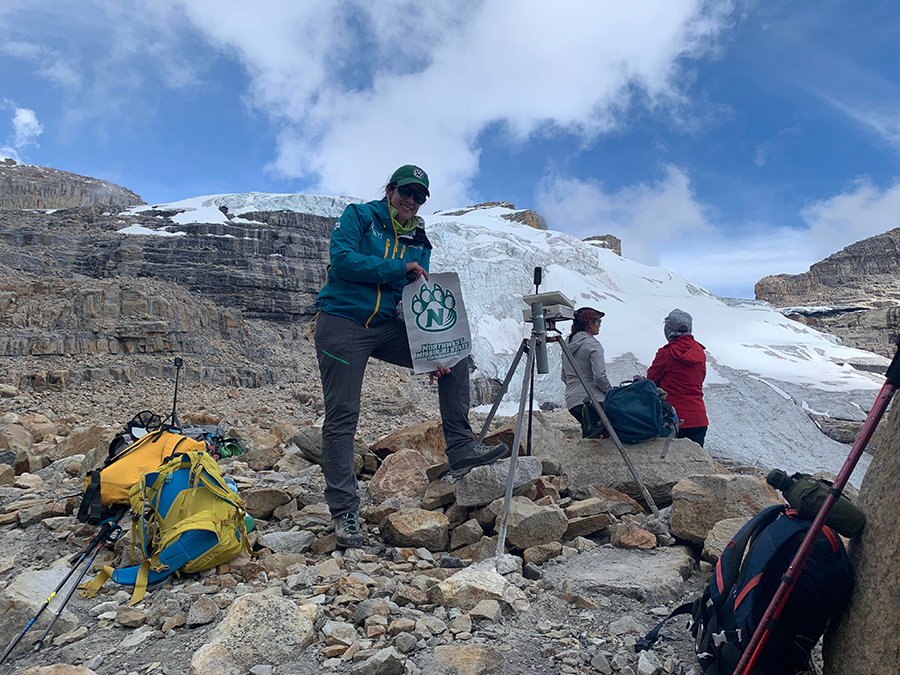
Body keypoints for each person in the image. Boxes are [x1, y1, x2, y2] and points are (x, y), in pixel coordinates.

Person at [314, 164, 508, 548]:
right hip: (341, 323)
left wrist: (428, 348)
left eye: (420, 196)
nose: (412, 201)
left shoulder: (420, 239)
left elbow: (417, 298)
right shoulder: (360, 217)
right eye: (406, 192)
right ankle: (344, 513)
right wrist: (396, 267)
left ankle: (460, 447)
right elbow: (343, 261)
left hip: (386, 326)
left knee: (454, 355)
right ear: (390, 190)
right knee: (343, 416)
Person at [647, 308, 708, 446]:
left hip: (672, 418)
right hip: (698, 418)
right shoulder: (700, 352)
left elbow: (651, 381)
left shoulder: (666, 353)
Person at [561, 307, 612, 438]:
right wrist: (610, 392)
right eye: (598, 321)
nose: (600, 324)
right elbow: (600, 377)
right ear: (590, 324)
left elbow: (564, 376)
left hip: (572, 402)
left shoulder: (567, 344)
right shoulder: (592, 344)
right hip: (594, 400)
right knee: (604, 438)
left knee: (590, 435)